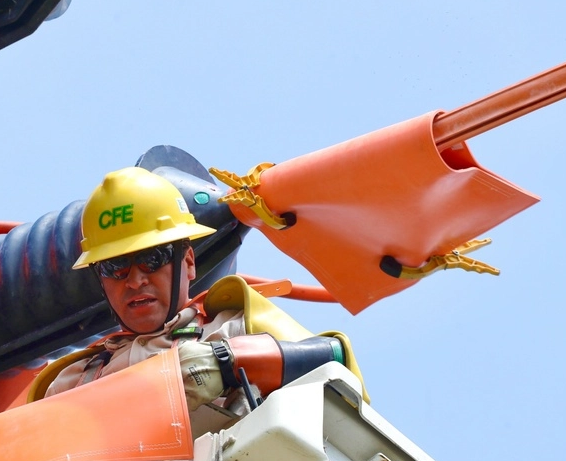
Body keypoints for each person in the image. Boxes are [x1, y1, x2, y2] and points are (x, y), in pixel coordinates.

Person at [33, 166, 365, 410]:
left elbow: (337, 364)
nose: (134, 281)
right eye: (114, 267)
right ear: (100, 280)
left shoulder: (235, 327)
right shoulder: (71, 383)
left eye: (153, 258)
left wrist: (224, 362)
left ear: (188, 262)